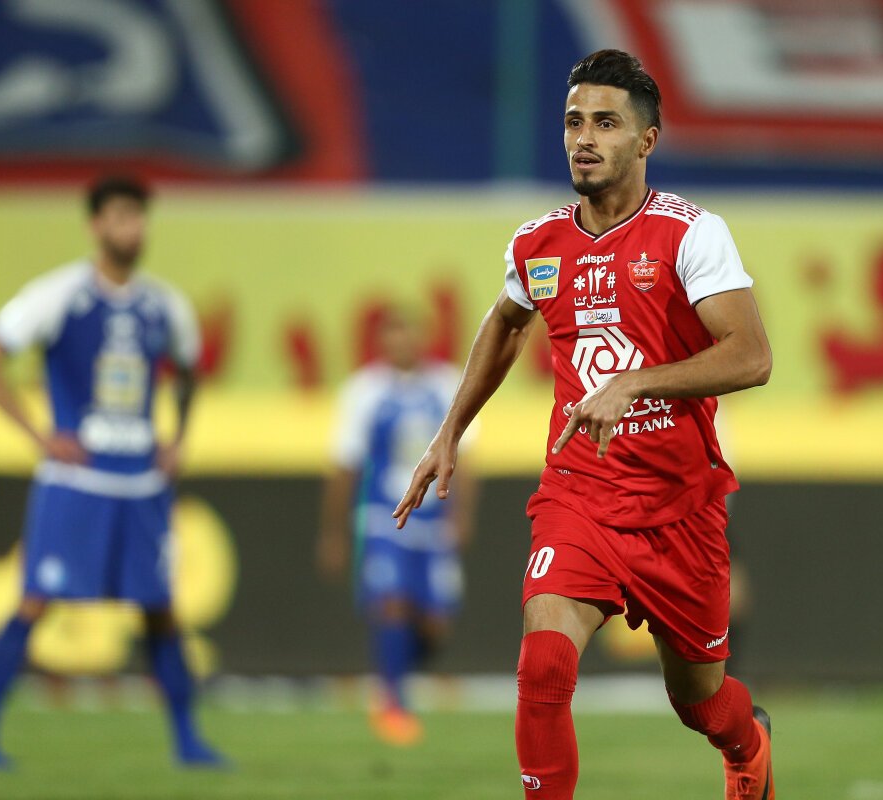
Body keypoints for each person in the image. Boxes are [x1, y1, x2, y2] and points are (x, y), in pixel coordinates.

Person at [394, 50, 774, 799]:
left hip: (679, 507)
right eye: (574, 122)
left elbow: (752, 356)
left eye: (605, 123)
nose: (584, 139)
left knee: (700, 702)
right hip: (580, 495)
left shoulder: (690, 234)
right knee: (543, 666)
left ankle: (747, 745)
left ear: (647, 140)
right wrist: (450, 432)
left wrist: (636, 382)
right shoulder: (537, 244)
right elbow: (506, 324)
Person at [0, 176, 223, 769]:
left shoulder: (165, 305)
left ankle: (188, 744)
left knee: (159, 608)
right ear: (96, 225)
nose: (133, 228)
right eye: (122, 216)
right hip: (77, 483)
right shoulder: (58, 295)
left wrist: (178, 438)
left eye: (140, 216)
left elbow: (189, 369)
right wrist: (39, 436)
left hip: (142, 484)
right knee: (35, 600)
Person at [318, 307, 474, 746]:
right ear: (381, 342)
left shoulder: (447, 385)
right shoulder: (364, 392)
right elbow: (345, 465)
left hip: (434, 520)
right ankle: (392, 702)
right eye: (392, 335)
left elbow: (468, 457)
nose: (401, 343)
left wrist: (462, 515)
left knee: (435, 622)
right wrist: (334, 532)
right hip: (385, 518)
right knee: (391, 605)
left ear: (422, 338)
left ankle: (398, 672)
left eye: (408, 333)